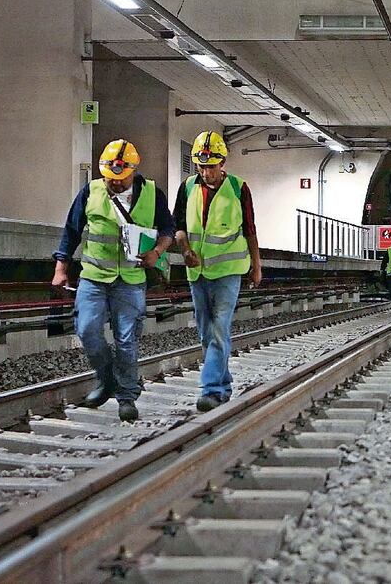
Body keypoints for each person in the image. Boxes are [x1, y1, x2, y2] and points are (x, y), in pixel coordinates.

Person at [52, 139, 175, 422]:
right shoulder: (91, 191)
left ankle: (127, 396)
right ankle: (107, 378)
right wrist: (61, 268)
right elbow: (71, 230)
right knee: (87, 329)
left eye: (120, 179)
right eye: (110, 178)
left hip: (130, 279)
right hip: (94, 276)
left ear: (133, 171)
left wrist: (157, 251)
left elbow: (168, 227)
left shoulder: (152, 193)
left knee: (127, 339)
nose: (115, 183)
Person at [174, 131, 262, 413]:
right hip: (197, 273)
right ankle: (223, 385)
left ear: (222, 162)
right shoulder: (187, 187)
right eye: (201, 166)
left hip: (228, 271)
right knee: (204, 331)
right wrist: (185, 250)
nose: (206, 172)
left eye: (211, 166)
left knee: (219, 328)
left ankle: (210, 389)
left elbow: (249, 230)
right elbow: (178, 227)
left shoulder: (238, 188)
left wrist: (256, 267)